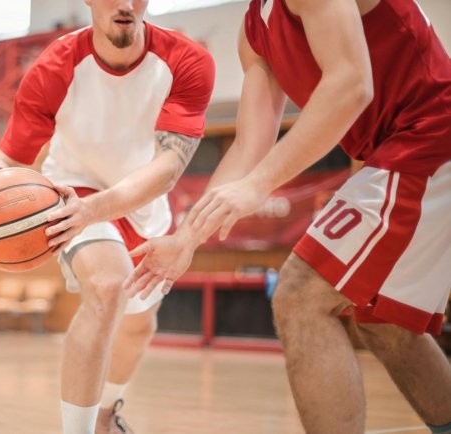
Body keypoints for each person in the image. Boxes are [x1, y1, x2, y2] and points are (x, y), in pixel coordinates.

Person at [123, 0, 451, 432]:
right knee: (386, 325)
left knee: (300, 295)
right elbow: (248, 147)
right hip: (405, 149)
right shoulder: (254, 30)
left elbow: (351, 85)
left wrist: (258, 185)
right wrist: (185, 239)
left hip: (429, 137)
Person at [0, 1, 214, 432]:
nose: (125, 4)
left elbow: (169, 168)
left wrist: (97, 209)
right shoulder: (54, 68)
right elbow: (12, 160)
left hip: (143, 198)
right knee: (108, 286)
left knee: (139, 326)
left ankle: (104, 417)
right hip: (72, 190)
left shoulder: (188, 61)